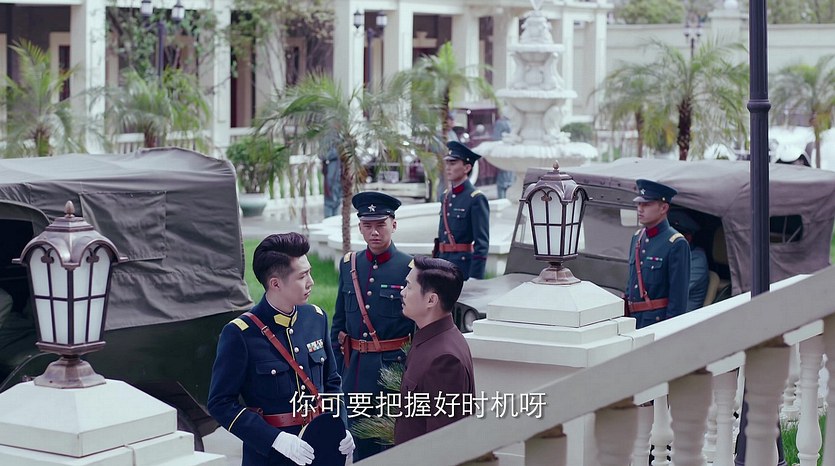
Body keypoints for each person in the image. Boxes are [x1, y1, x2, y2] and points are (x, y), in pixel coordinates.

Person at [208, 233, 354, 466]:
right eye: (302, 276)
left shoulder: (315, 318)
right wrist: (275, 439)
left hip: (319, 450)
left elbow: (331, 382)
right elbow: (220, 403)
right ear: (275, 283)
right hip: (271, 457)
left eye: (309, 272)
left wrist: (341, 426)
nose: (311, 282)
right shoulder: (240, 334)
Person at [330, 191, 414, 461]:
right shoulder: (349, 265)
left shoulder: (410, 268)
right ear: (360, 227)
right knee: (358, 445)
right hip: (354, 373)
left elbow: (417, 328)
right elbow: (339, 322)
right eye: (367, 225)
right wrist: (336, 371)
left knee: (392, 444)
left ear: (394, 224)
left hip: (393, 371)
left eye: (380, 224)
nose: (374, 232)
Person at [394, 256, 475, 444]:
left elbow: (443, 443)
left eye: (409, 287)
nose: (403, 292)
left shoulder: (445, 359)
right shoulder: (431, 338)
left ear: (431, 300)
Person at [624, 179, 690, 329]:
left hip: (657, 324)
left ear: (664, 208)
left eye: (646, 204)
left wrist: (670, 331)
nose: (640, 209)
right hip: (633, 322)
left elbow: (678, 299)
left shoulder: (676, 243)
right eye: (638, 204)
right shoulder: (637, 238)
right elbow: (630, 285)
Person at [435, 141, 490, 280]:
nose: (448, 168)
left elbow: (482, 243)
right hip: (442, 263)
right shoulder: (446, 196)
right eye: (447, 163)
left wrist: (475, 276)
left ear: (467, 167)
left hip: (462, 267)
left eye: (453, 163)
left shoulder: (476, 198)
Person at [668, 210, 709, 311]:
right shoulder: (670, 254)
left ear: (688, 238)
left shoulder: (697, 259)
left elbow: (674, 291)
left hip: (683, 316)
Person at [492, 114, 515, 199]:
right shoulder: (502, 122)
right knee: (504, 180)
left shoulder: (513, 121)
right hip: (505, 154)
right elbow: (496, 138)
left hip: (512, 155)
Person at [321, 138, 342, 218]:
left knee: (338, 198)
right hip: (331, 169)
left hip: (340, 169)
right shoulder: (327, 136)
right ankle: (329, 219)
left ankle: (335, 218)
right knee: (330, 197)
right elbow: (322, 154)